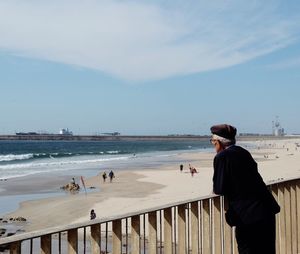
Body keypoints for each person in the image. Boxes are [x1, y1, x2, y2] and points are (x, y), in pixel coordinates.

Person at [210, 124, 280, 254]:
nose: (213, 144)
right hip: (266, 209)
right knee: (267, 250)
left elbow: (219, 188)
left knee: (247, 250)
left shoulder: (222, 157)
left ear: (219, 142)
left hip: (247, 216)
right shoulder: (243, 152)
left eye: (213, 141)